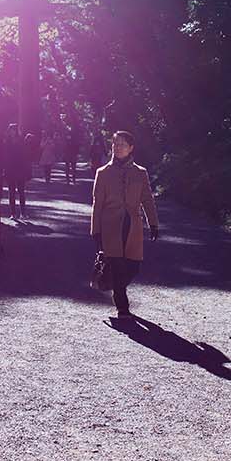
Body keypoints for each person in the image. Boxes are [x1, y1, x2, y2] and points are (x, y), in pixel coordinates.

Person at [90, 130, 161, 319]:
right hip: (110, 226)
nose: (118, 148)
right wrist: (95, 230)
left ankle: (113, 282)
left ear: (131, 148)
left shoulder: (140, 173)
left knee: (133, 266)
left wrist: (153, 223)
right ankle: (122, 305)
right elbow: (97, 204)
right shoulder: (103, 173)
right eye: (115, 144)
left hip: (133, 226)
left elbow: (147, 199)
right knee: (117, 264)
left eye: (122, 144)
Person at [4, 123, 31, 219]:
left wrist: (27, 170)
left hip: (20, 169)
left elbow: (25, 156)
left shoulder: (21, 141)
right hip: (10, 169)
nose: (12, 132)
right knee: (11, 192)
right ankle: (13, 213)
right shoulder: (6, 141)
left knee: (21, 191)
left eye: (14, 130)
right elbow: (5, 156)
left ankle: (23, 213)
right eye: (11, 130)